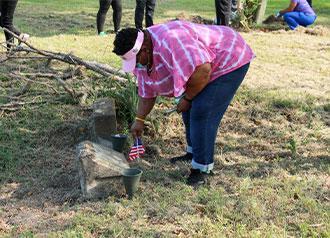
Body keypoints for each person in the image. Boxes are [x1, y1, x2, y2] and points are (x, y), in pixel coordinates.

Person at [113, 20, 255, 186]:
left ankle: (203, 169)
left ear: (144, 49)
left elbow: (203, 70)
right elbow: (146, 93)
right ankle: (193, 153)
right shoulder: (143, 49)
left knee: (202, 110)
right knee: (190, 106)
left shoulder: (172, 42)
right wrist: (139, 120)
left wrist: (187, 99)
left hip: (229, 57)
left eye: (135, 61)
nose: (136, 66)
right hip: (203, 65)